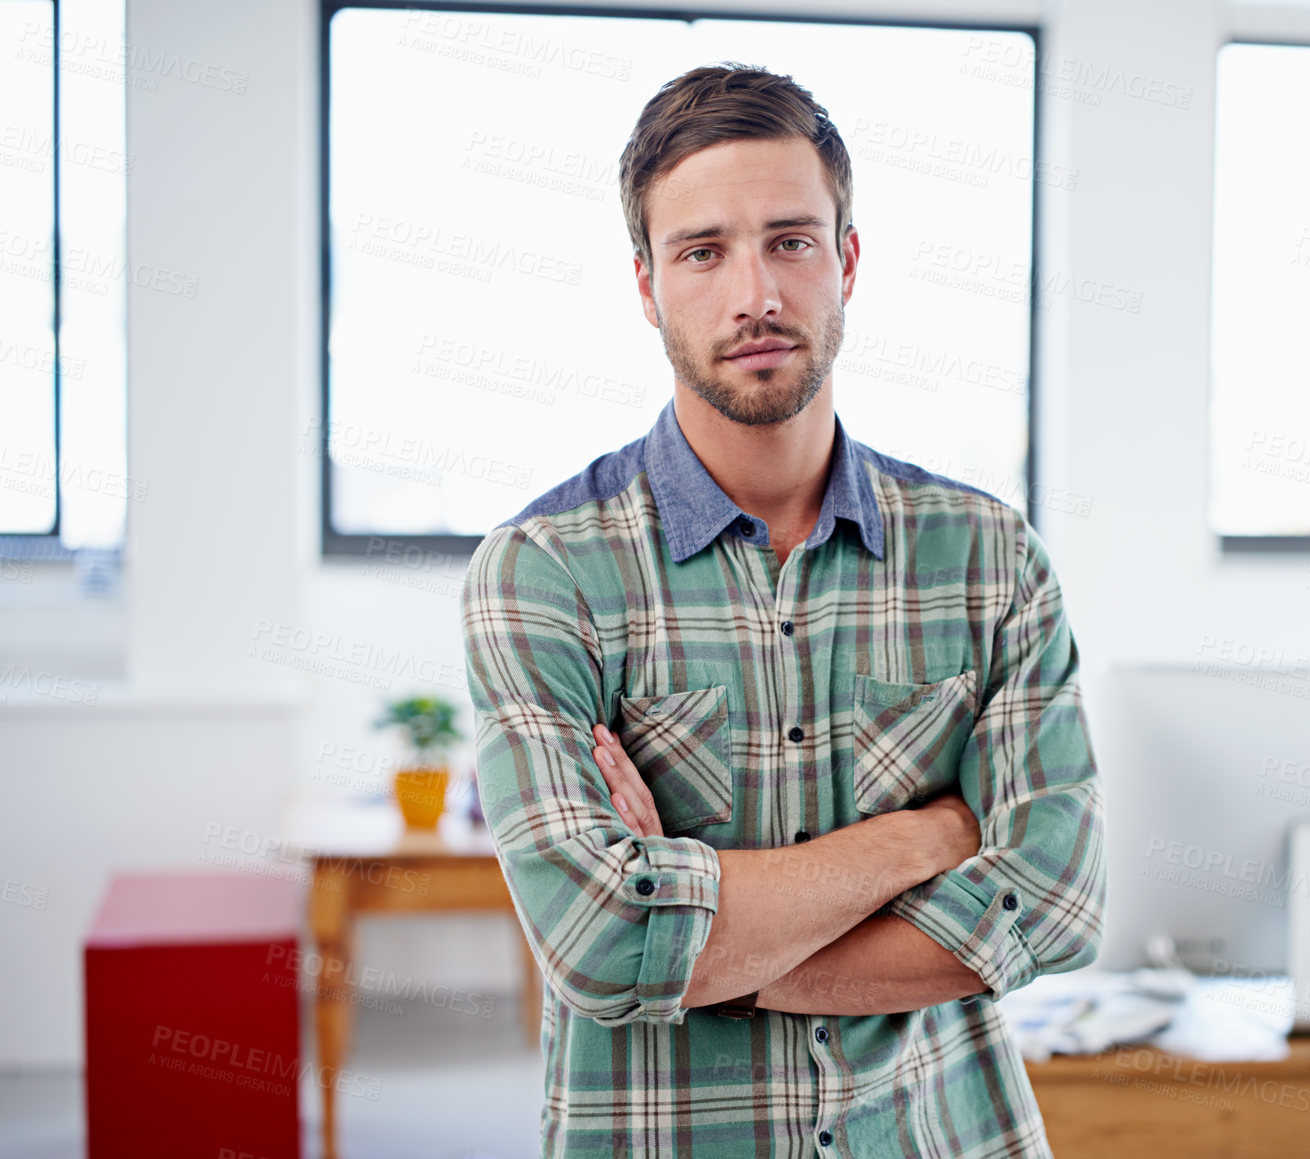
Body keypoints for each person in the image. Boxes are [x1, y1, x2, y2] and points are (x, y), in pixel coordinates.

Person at [461, 62, 1106, 1158]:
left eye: (791, 241)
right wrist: (931, 835)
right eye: (702, 252)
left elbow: (1052, 901)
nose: (754, 293)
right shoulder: (543, 574)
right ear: (647, 284)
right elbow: (599, 941)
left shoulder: (990, 559)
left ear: (846, 260)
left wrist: (709, 951)